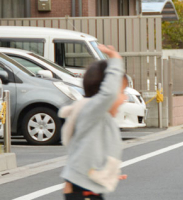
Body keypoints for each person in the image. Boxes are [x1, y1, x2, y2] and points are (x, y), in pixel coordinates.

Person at [58, 45, 128, 200]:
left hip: (88, 190)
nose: (125, 98)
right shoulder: (92, 112)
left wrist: (109, 174)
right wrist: (115, 60)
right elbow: (109, 93)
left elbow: (93, 152)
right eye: (122, 92)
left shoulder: (98, 118)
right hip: (81, 192)